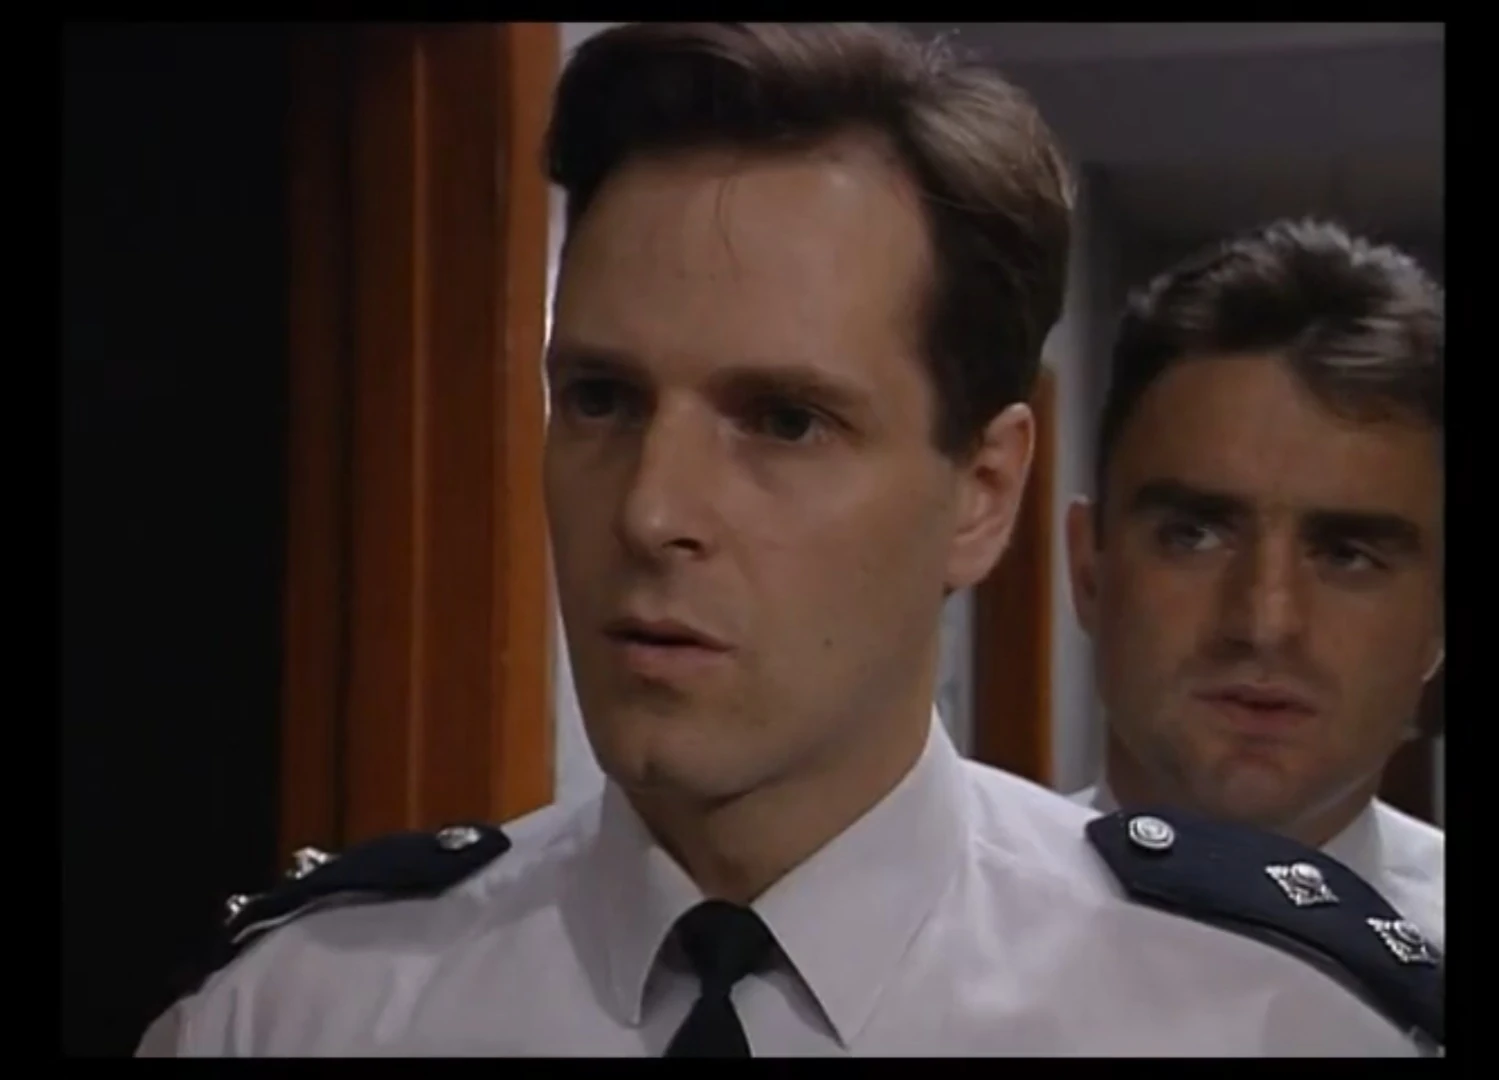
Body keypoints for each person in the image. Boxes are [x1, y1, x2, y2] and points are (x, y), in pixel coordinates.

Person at [136, 25, 1435, 1056]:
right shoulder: (295, 1014)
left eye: (783, 421)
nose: (650, 511)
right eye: (601, 399)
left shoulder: (1267, 1020)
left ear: (982, 493)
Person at [1065, 219, 1445, 950]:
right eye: (1195, 536)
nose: (1265, 621)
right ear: (1088, 569)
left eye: (1347, 555)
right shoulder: (912, 962)